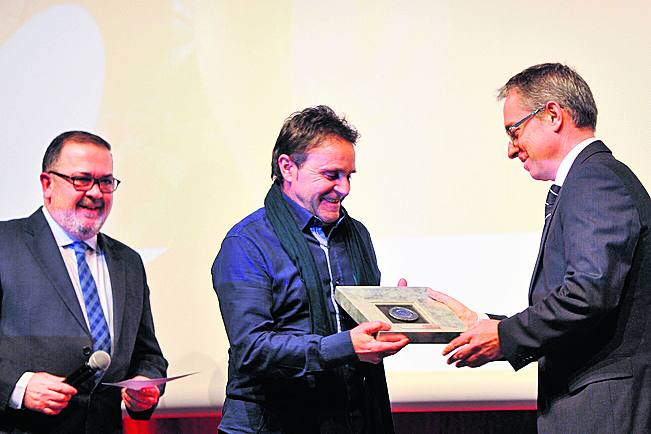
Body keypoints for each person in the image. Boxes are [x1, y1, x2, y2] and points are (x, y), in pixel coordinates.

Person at [432, 63, 651, 433]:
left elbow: (588, 294)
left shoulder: (594, 180)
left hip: (604, 408)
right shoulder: (591, 178)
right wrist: (489, 326)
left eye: (514, 131)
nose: (510, 149)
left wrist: (505, 337)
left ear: (552, 114)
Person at [212, 105, 410, 434]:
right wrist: (345, 345)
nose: (344, 188)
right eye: (331, 175)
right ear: (288, 168)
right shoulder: (246, 243)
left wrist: (391, 318)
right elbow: (252, 349)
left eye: (349, 176)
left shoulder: (356, 234)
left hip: (348, 419)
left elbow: (358, 334)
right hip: (271, 425)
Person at [0, 131, 168, 433]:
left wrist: (145, 384)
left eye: (106, 182)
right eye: (81, 179)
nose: (95, 192)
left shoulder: (128, 262)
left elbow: (147, 354)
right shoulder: (5, 245)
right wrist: (17, 386)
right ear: (47, 184)